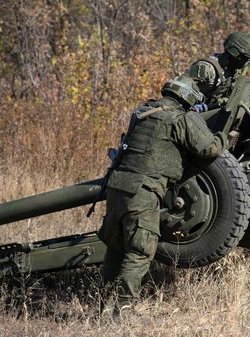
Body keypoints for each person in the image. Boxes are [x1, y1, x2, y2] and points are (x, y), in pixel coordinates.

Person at [97, 75, 227, 314]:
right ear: (187, 99)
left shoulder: (144, 111)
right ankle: (122, 310)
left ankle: (103, 306)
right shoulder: (181, 118)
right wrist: (225, 136)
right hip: (142, 191)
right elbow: (210, 149)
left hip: (117, 188)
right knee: (139, 249)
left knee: (116, 248)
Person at [185, 31, 250, 108]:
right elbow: (181, 91)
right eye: (244, 59)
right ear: (235, 54)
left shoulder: (235, 70)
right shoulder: (207, 68)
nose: (246, 62)